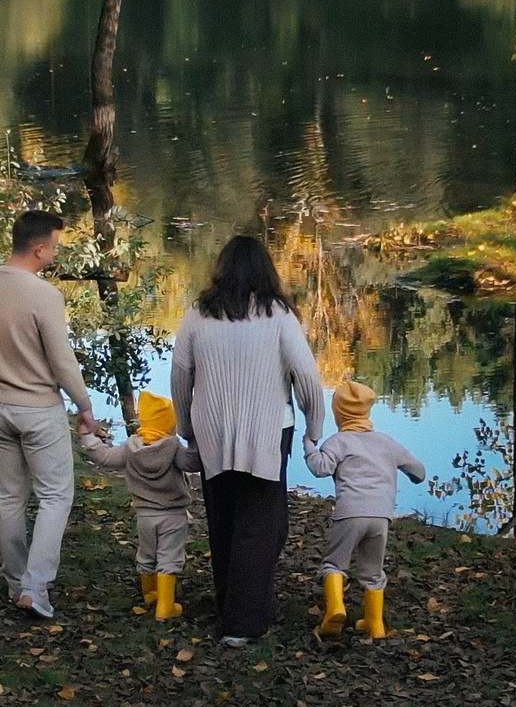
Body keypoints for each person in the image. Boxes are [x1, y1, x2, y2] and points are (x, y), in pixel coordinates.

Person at [170, 234, 325, 646]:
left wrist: (187, 429)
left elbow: (181, 376)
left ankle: (232, 603)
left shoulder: (198, 314)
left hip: (213, 429)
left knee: (224, 521)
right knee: (260, 525)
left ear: (222, 270)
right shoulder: (278, 315)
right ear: (266, 271)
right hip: (268, 431)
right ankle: (242, 623)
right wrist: (315, 426)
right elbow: (307, 376)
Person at [0, 209, 98, 619]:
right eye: (54, 248)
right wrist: (85, 405)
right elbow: (61, 361)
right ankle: (35, 588)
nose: (55, 255)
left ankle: (14, 582)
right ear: (39, 249)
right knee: (56, 495)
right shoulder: (44, 295)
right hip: (38, 410)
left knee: (8, 497)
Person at [303, 380, 426, 639]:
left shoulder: (338, 442)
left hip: (350, 513)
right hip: (381, 516)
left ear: (339, 414)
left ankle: (335, 610)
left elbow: (320, 468)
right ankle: (374, 624)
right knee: (372, 572)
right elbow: (419, 472)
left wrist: (309, 446)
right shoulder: (386, 442)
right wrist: (408, 474)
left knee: (334, 564)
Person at [78, 391, 203, 621]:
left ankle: (150, 595)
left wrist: (88, 438)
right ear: (169, 425)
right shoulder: (173, 448)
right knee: (169, 558)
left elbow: (105, 457)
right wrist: (196, 439)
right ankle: (166, 607)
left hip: (144, 515)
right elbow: (192, 462)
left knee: (147, 554)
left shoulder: (130, 447)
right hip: (173, 515)